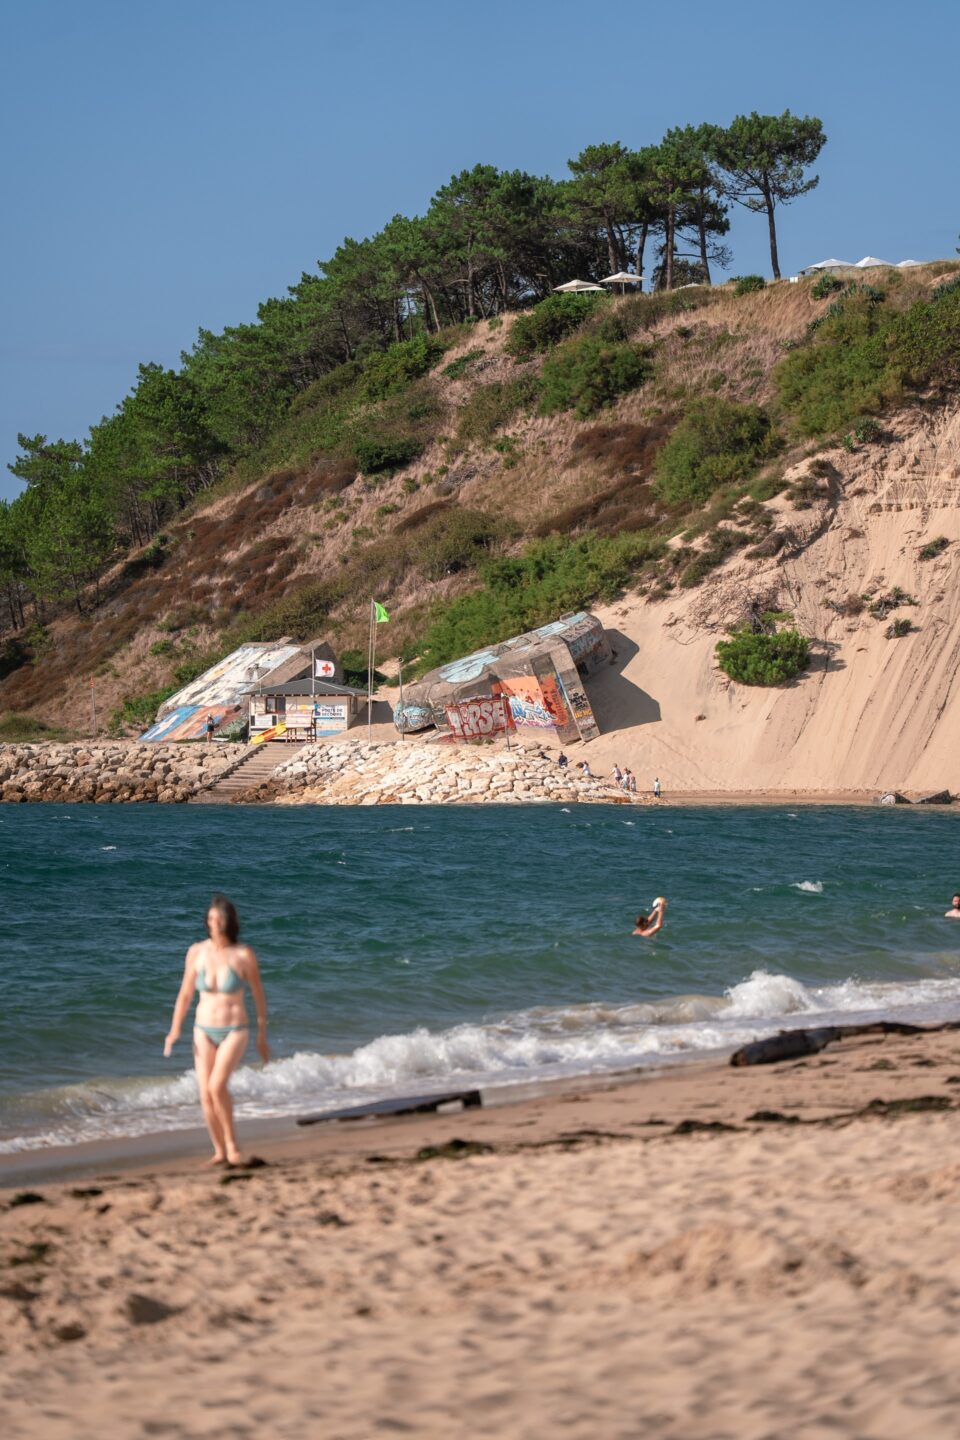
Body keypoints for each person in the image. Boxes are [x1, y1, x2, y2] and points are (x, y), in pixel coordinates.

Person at [163, 895, 269, 1166]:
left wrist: (261, 1035)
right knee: (205, 1094)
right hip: (203, 1029)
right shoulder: (197, 952)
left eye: (220, 919)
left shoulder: (243, 955)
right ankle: (219, 1151)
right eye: (211, 919)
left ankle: (233, 1145)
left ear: (229, 922)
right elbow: (185, 994)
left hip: (235, 1028)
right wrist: (174, 1030)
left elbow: (258, 995)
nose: (215, 924)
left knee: (216, 1085)